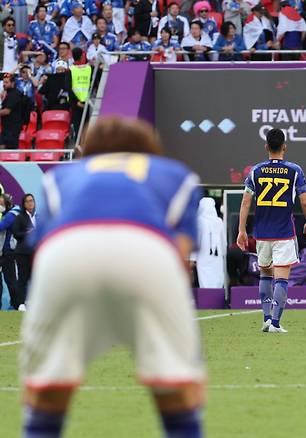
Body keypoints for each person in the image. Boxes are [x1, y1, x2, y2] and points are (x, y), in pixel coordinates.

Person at [19, 117, 206, 437]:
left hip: (66, 251)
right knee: (178, 388)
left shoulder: (60, 176)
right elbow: (181, 253)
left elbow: (41, 247)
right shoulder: (176, 174)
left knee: (46, 392)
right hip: (148, 249)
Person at [237, 128, 306, 333]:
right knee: (281, 279)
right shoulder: (294, 170)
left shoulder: (256, 170)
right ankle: (276, 324)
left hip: (261, 233)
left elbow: (245, 202)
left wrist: (241, 230)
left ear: (266, 147)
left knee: (264, 275)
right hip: (284, 233)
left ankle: (266, 318)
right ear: (284, 147)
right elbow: (304, 201)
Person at [190, 197, 226, 289]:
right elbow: (223, 242)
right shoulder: (219, 221)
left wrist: (193, 258)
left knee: (205, 280)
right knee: (217, 277)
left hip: (203, 257)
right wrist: (223, 254)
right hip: (217, 258)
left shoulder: (199, 221)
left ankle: (206, 299)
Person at [11, 193, 35, 312]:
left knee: (35, 278)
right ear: (24, 204)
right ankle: (21, 303)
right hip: (23, 253)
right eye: (27, 201)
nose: (30, 203)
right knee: (23, 278)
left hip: (36, 253)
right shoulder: (20, 217)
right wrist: (27, 233)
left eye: (32, 201)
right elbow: (15, 233)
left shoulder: (38, 217)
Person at [0, 192, 20, 310]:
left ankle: (16, 305)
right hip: (4, 253)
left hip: (9, 253)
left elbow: (1, 226)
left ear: (7, 204)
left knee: (11, 280)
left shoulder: (12, 215)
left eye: (1, 203)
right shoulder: (8, 214)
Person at [70, 47, 91, 139]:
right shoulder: (71, 70)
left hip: (87, 103)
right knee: (79, 129)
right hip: (78, 104)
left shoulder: (89, 68)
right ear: (82, 55)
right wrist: (77, 102)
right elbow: (68, 88)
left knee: (87, 129)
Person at [0, 73, 23, 149]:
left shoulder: (14, 94)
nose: (4, 84)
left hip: (12, 128)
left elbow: (7, 111)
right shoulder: (8, 93)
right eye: (4, 82)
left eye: (6, 82)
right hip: (6, 128)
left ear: (12, 83)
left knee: (10, 150)